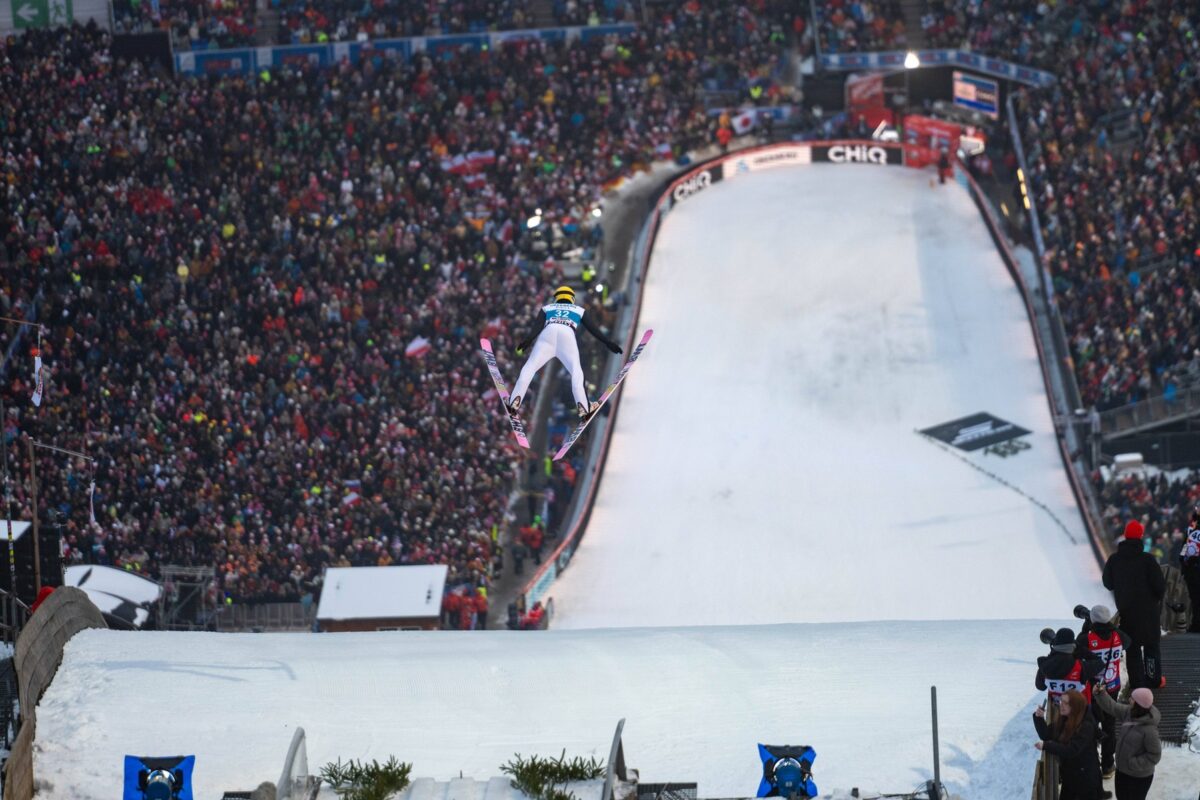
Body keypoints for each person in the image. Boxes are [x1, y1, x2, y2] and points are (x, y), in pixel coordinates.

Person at [508, 285, 623, 420]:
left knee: (530, 367)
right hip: (566, 335)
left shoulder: (547, 308)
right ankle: (584, 407)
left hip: (547, 336)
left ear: (556, 298)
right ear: (571, 298)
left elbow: (536, 328)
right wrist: (608, 342)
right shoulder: (578, 310)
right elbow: (593, 329)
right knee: (576, 372)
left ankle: (514, 401)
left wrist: (527, 342)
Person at [1103, 520, 1167, 688]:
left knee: (1132, 648)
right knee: (1151, 645)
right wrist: (1155, 599)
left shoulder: (1114, 559)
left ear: (1125, 535)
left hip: (1126, 611)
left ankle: (1137, 683)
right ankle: (1153, 680)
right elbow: (1160, 586)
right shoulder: (1148, 560)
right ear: (1141, 536)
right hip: (1148, 611)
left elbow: (1107, 583)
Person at [1076, 605, 1131, 780]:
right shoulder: (1118, 636)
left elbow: (1077, 649)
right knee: (1109, 725)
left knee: (1091, 725)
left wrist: (1087, 627)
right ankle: (1107, 765)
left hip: (1093, 689)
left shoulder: (1087, 638)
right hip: (1112, 686)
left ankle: (1091, 765)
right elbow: (1128, 642)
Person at [1091, 684, 1161, 800]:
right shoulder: (1129, 712)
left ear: (1139, 704)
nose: (1129, 699)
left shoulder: (1150, 730)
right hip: (1122, 771)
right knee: (1121, 797)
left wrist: (1133, 763)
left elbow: (1155, 755)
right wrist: (1101, 693)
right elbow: (1112, 707)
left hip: (1138, 777)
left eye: (1132, 699)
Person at [1033, 689, 1101, 800]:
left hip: (1086, 781)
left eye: (1066, 703)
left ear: (1075, 706)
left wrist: (1047, 746)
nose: (1061, 705)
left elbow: (1071, 750)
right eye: (1061, 701)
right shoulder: (1065, 720)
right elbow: (1046, 735)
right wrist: (1039, 718)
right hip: (1070, 778)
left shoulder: (1086, 726)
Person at [1036, 628, 1103, 704]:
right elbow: (1100, 663)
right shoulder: (1082, 667)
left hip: (1056, 708)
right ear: (1072, 647)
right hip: (1078, 709)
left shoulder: (1045, 665)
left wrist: (1052, 653)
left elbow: (1040, 686)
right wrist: (1079, 647)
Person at [1181, 510, 1200, 633]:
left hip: (1192, 571)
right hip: (1194, 569)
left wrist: (1185, 565)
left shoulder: (1190, 533)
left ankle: (1196, 623)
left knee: (1195, 599)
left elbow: (1183, 553)